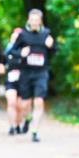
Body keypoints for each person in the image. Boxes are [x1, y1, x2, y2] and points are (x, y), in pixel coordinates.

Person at [16, 8, 54, 142]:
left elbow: (54, 52)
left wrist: (51, 46)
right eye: (32, 19)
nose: (34, 22)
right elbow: (12, 51)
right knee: (24, 105)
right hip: (26, 73)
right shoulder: (23, 34)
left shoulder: (46, 34)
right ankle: (28, 119)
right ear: (28, 20)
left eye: (36, 20)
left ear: (40, 21)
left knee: (39, 101)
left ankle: (35, 131)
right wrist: (20, 53)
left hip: (41, 73)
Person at [4, 27, 24, 135]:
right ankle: (11, 126)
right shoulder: (8, 50)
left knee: (20, 106)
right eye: (13, 38)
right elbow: (2, 62)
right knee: (11, 103)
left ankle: (18, 125)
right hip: (11, 79)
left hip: (23, 80)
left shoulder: (25, 51)